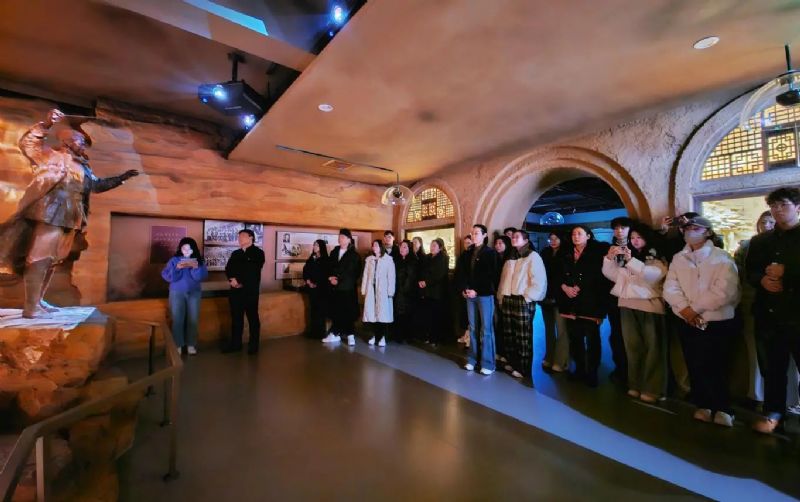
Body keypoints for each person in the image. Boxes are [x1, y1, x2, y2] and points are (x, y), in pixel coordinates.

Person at [0, 109, 139, 318]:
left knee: (53, 260)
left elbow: (96, 186)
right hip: (49, 212)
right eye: (80, 141)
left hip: (71, 216)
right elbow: (28, 144)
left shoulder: (83, 166)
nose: (83, 145)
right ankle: (30, 307)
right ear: (67, 141)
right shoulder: (50, 156)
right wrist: (47, 124)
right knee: (39, 258)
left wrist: (122, 178)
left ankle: (38, 301)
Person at [663, 216, 740, 427]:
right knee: (695, 363)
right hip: (687, 319)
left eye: (696, 228)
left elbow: (725, 290)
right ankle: (703, 404)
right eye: (687, 228)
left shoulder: (721, 257)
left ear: (708, 232)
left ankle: (723, 407)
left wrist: (694, 310)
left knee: (718, 364)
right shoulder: (679, 258)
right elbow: (670, 287)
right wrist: (684, 309)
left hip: (716, 320)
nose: (690, 231)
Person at [748, 188, 800, 434]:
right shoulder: (761, 241)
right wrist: (762, 280)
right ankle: (774, 412)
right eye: (773, 206)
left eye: (783, 204)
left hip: (797, 314)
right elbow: (750, 271)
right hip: (768, 314)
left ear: (797, 207)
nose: (777, 210)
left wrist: (786, 274)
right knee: (772, 369)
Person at [603, 224, 668, 402]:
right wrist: (609, 259)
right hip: (626, 304)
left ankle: (653, 389)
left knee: (653, 349)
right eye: (632, 238)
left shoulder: (655, 255)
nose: (635, 241)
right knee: (632, 348)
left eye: (639, 237)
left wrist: (630, 260)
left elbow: (652, 276)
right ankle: (635, 384)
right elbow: (613, 275)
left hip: (649, 306)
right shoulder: (628, 256)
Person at [556, 225, 611, 387]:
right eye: (574, 234)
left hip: (590, 302)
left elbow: (599, 276)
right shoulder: (565, 253)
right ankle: (579, 369)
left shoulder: (597, 252)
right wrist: (565, 287)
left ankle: (592, 372)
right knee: (575, 339)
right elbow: (557, 274)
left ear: (588, 236)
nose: (576, 236)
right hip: (570, 302)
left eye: (580, 233)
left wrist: (579, 286)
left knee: (592, 340)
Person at [732, 210, 774, 404]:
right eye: (763, 222)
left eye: (770, 222)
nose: (766, 225)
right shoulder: (747, 246)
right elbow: (739, 273)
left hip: (782, 304)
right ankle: (757, 393)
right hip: (752, 301)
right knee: (755, 351)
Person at [497, 230, 547, 381]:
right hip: (508, 297)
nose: (514, 238)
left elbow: (539, 280)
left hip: (522, 299)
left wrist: (528, 297)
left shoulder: (532, 256)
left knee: (523, 335)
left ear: (526, 240)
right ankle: (512, 362)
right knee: (509, 334)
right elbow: (504, 279)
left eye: (517, 237)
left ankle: (523, 367)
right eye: (513, 237)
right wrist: (501, 296)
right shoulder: (511, 256)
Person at [455, 224, 500, 375]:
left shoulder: (490, 253)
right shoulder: (467, 253)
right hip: (469, 295)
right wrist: (464, 289)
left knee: (486, 329)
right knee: (473, 327)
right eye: (472, 233)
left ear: (484, 235)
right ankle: (472, 359)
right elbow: (461, 273)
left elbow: (492, 276)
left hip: (484, 295)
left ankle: (488, 363)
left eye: (476, 233)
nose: (474, 236)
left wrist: (477, 290)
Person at [161, 237, 208, 355]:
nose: (186, 251)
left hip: (194, 292)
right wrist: (177, 268)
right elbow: (167, 276)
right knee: (177, 319)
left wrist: (195, 268)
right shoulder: (174, 260)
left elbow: (200, 277)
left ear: (193, 249)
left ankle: (191, 344)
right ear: (180, 248)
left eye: (189, 248)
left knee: (193, 319)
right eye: (184, 248)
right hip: (176, 292)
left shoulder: (199, 261)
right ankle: (178, 345)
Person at [223, 229, 265, 354]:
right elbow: (229, 268)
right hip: (235, 291)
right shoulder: (236, 253)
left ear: (251, 237)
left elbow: (253, 270)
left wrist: (240, 280)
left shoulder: (258, 253)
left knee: (253, 318)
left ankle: (253, 345)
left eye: (242, 236)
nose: (239, 238)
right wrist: (232, 279)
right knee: (236, 318)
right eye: (238, 236)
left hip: (250, 291)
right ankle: (236, 344)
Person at [323, 229, 361, 346]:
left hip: (347, 288)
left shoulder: (354, 255)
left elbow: (353, 273)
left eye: (343, 237)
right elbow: (328, 267)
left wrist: (338, 280)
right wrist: (330, 277)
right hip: (334, 288)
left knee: (348, 312)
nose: (340, 239)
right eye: (339, 237)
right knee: (336, 311)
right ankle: (335, 333)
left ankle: (350, 335)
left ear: (349, 240)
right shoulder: (334, 252)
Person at [607, 216, 633, 385]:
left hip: (633, 296)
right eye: (616, 228)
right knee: (616, 334)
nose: (619, 231)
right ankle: (621, 369)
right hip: (614, 297)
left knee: (632, 335)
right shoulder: (610, 248)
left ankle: (633, 371)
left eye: (623, 227)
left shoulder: (636, 246)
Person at [539, 232, 570, 373]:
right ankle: (549, 356)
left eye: (556, 238)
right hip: (546, 295)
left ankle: (561, 360)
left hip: (561, 295)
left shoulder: (567, 253)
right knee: (549, 329)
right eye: (550, 239)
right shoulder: (545, 253)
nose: (553, 241)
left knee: (562, 329)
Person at [362, 240, 396, 347]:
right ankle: (374, 335)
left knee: (382, 315)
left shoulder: (388, 260)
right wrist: (364, 289)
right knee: (372, 314)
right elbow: (365, 276)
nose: (374, 247)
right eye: (373, 246)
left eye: (376, 245)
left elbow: (391, 277)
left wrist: (390, 291)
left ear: (381, 247)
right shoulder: (369, 260)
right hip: (371, 290)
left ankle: (382, 337)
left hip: (383, 291)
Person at [417, 238, 450, 346]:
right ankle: (428, 336)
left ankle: (435, 338)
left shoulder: (443, 257)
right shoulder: (427, 257)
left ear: (440, 247)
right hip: (426, 291)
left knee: (436, 316)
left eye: (434, 245)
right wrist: (421, 281)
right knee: (427, 315)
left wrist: (426, 282)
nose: (432, 247)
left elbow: (439, 274)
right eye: (431, 245)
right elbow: (421, 270)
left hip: (437, 292)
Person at [494, 235, 516, 367]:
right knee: (498, 324)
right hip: (495, 293)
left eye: (501, 243)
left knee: (506, 325)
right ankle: (499, 350)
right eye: (496, 243)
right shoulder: (494, 257)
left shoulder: (510, 259)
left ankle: (506, 353)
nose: (497, 245)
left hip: (507, 295)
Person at [303, 239, 330, 340]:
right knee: (313, 310)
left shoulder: (326, 260)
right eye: (314, 245)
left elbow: (325, 274)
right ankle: (313, 331)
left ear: (321, 247)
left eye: (317, 245)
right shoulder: (311, 258)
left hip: (321, 289)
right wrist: (308, 281)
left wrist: (317, 283)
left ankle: (320, 332)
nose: (314, 247)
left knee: (320, 311)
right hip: (312, 289)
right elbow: (305, 270)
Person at [393, 240, 418, 343]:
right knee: (398, 313)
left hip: (407, 292)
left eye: (404, 247)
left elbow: (410, 278)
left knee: (407, 314)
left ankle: (407, 336)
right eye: (401, 247)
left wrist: (403, 290)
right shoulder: (397, 259)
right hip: (397, 291)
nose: (402, 249)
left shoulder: (413, 260)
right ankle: (398, 335)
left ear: (409, 249)